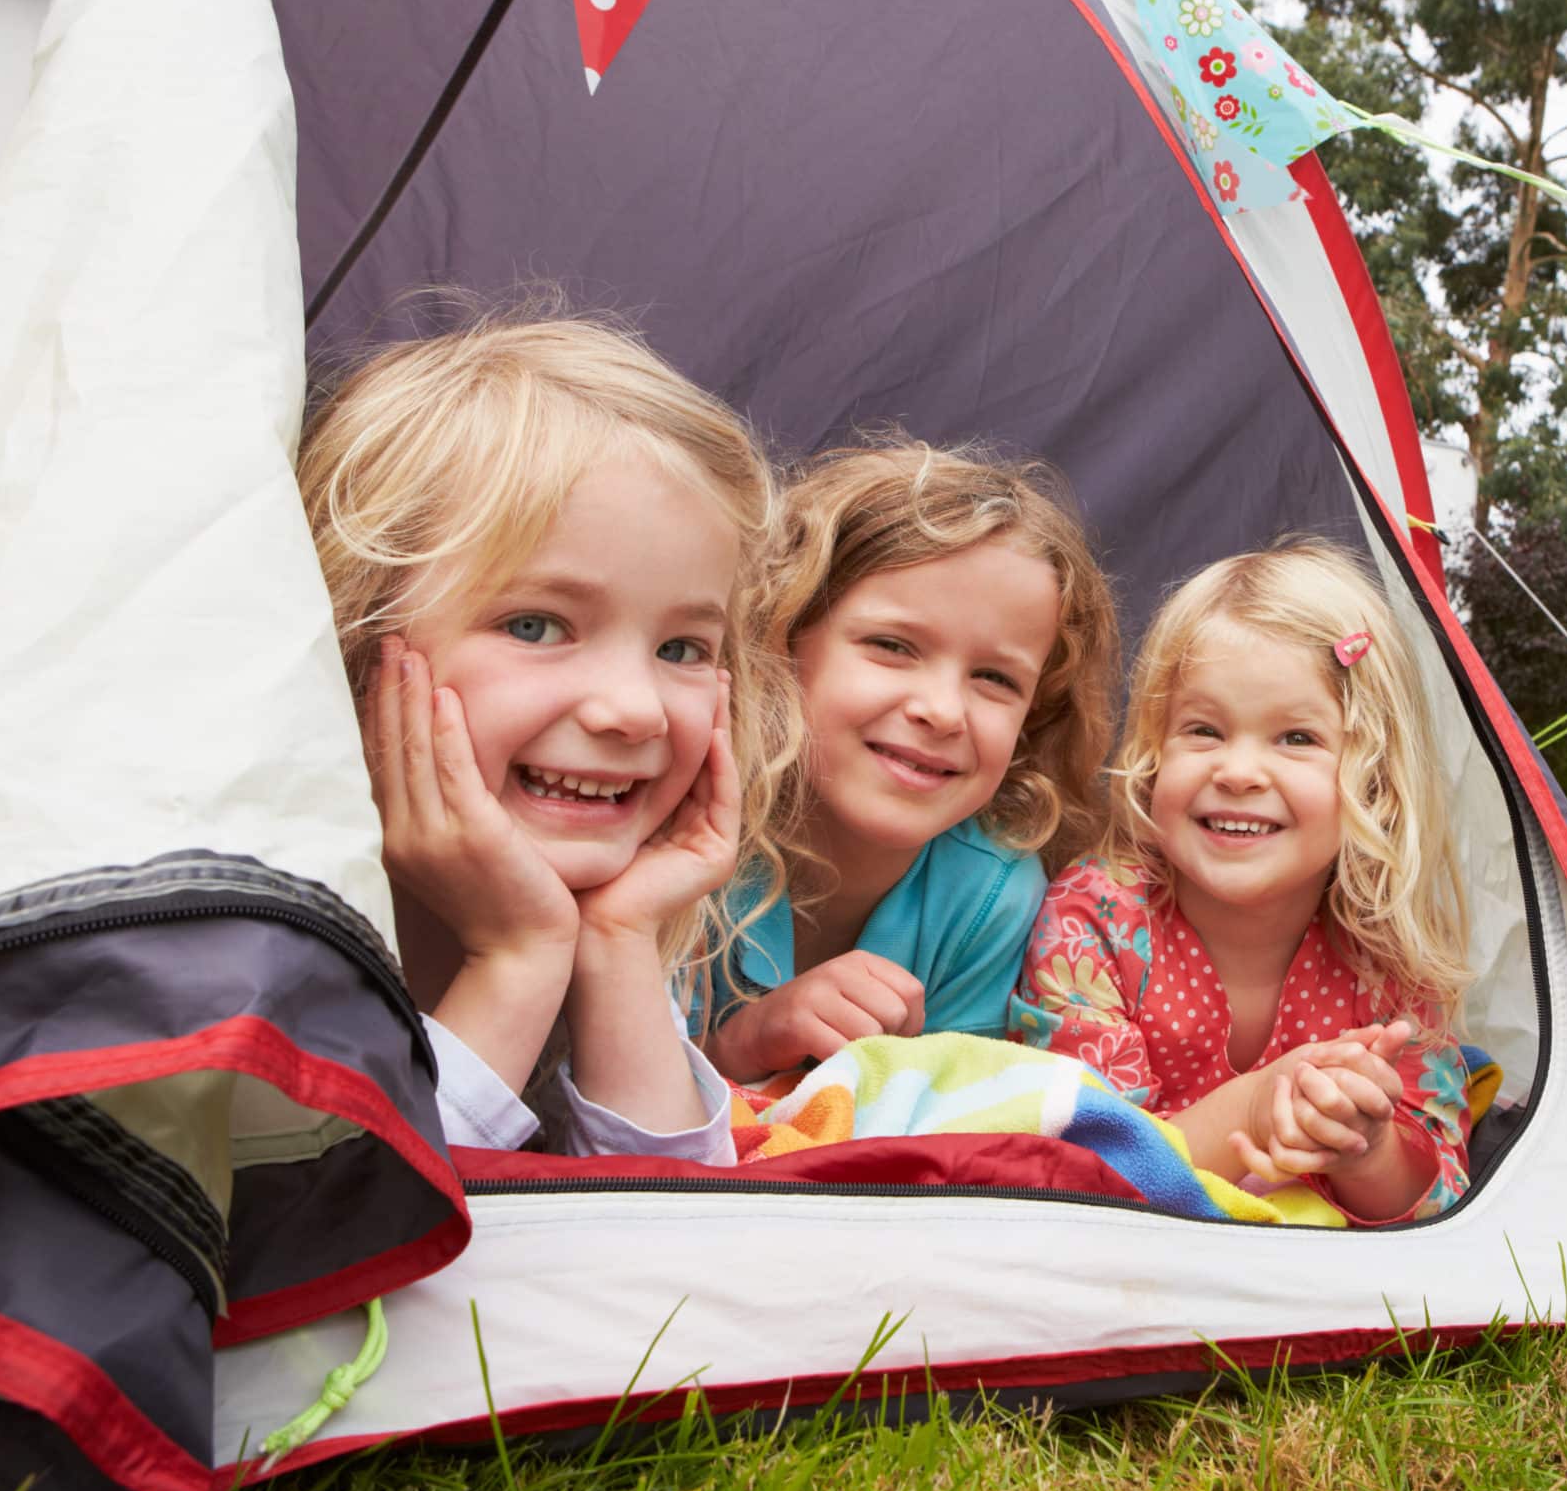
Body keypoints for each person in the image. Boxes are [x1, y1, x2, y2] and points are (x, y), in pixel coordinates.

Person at [299, 307, 795, 1158]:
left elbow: (675, 1258)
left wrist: (620, 943)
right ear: (350, 640)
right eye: (536, 626)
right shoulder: (261, 953)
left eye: (681, 647)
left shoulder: (619, 928)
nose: (633, 708)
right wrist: (514, 961)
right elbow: (335, 1244)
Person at [1009, 539, 1474, 1225]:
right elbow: (1085, 1165)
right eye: (1204, 729)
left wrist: (1364, 1147)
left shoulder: (1389, 953)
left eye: (1296, 738)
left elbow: (1439, 1199)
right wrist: (1258, 1106)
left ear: (1372, 781)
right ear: (1152, 751)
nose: (1239, 771)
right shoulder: (1094, 921)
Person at [697, 443, 1121, 1084]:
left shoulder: (993, 893)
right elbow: (600, 1108)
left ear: (1036, 715)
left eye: (995, 679)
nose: (944, 711)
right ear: (780, 638)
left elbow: (944, 1130)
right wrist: (745, 1045)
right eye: (892, 646)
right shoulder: (686, 829)